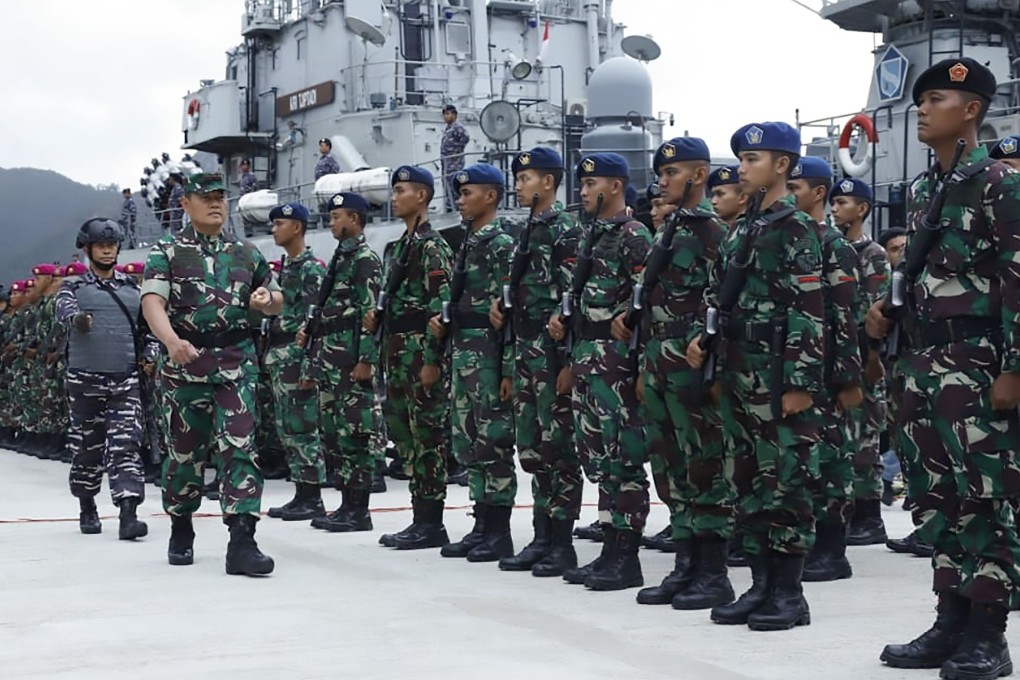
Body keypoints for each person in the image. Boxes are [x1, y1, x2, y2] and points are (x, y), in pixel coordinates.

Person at [866, 58, 1020, 677]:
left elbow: (1016, 281)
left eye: (934, 99)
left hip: (979, 365)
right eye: (920, 100)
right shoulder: (926, 190)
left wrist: (1014, 369)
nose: (921, 110)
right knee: (936, 498)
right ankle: (949, 618)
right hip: (922, 363)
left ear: (972, 109)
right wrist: (884, 312)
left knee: (987, 498)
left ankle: (989, 631)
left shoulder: (1001, 187)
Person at [687, 121, 825, 631]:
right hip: (740, 373)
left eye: (753, 160)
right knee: (747, 479)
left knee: (785, 482)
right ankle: (761, 584)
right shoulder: (744, 227)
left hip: (776, 374)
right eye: (741, 161)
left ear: (782, 166)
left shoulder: (795, 229)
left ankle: (789, 594)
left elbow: (809, 311)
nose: (742, 169)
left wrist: (800, 383)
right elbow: (719, 297)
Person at [141, 173, 284, 576]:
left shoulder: (246, 253)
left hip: (235, 362)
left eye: (221, 197)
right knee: (184, 454)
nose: (216, 204)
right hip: (185, 364)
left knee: (240, 446)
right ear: (186, 203)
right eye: (206, 198)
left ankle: (242, 540)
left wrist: (266, 300)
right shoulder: (168, 251)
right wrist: (170, 342)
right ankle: (181, 526)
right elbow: (152, 301)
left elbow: (276, 300)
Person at [617, 137, 733, 610]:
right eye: (661, 173)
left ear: (699, 175)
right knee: (670, 466)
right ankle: (686, 564)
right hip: (660, 363)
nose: (662, 181)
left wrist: (715, 368)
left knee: (704, 465)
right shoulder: (668, 230)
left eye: (672, 173)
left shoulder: (711, 233)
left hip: (692, 366)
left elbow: (723, 304)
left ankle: (713, 572)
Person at [548, 152, 652, 591]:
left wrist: (638, 359)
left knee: (623, 457)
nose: (584, 192)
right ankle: (609, 547)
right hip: (588, 357)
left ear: (612, 186)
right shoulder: (591, 236)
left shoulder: (634, 236)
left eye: (591, 185)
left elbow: (648, 300)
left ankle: (626, 556)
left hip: (616, 362)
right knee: (600, 459)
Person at [490, 147, 583, 576]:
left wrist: (568, 364)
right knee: (531, 447)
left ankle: (562, 541)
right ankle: (541, 534)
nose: (518, 185)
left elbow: (575, 299)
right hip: (525, 352)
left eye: (526, 178)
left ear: (548, 182)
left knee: (558, 448)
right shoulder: (527, 229)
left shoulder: (566, 231)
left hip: (552, 355)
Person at [429, 164, 517, 562]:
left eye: (467, 194)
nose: (460, 201)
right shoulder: (468, 242)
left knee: (493, 441)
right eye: (459, 194)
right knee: (469, 442)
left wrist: (508, 369)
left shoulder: (501, 244)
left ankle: (498, 531)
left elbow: (509, 312)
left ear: (492, 196)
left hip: (487, 355)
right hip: (464, 352)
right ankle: (481, 523)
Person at [364, 166, 453, 550]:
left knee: (427, 437)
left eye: (401, 190)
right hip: (397, 352)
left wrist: (433, 360)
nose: (394, 197)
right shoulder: (401, 246)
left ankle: (431, 521)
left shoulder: (432, 247)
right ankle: (420, 516)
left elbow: (440, 311)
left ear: (422, 196)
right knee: (406, 438)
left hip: (419, 353)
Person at [787, 157, 863, 582]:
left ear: (818, 193)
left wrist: (848, 377)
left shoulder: (833, 245)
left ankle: (833, 550)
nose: (790, 193)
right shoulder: (788, 236)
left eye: (796, 187)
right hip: (799, 363)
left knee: (832, 458)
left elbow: (844, 316)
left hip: (827, 369)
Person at [56, 218, 148, 540]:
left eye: (111, 245)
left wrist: (149, 357)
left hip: (124, 379)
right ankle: (87, 505)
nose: (107, 250)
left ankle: (128, 512)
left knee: (126, 445)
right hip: (85, 382)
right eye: (100, 245)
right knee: (87, 448)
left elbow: (146, 331)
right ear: (87, 249)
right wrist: (77, 319)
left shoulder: (133, 290)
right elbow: (63, 309)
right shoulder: (74, 288)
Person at [303, 192, 382, 533]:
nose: (331, 222)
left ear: (354, 219)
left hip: (352, 362)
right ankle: (346, 504)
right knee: (337, 435)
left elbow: (370, 314)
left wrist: (366, 359)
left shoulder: (364, 259)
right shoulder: (341, 257)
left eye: (337, 217)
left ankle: (359, 510)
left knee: (356, 435)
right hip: (332, 361)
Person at [829, 177, 891, 547]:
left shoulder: (873, 255)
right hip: (841, 354)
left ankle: (870, 515)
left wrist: (872, 357)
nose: (836, 208)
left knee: (866, 434)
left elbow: (875, 310)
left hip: (864, 352)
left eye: (844, 202)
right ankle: (850, 509)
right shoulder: (833, 248)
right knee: (845, 434)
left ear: (862, 209)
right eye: (833, 202)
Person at [262, 203, 328, 521]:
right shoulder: (287, 268)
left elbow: (315, 323)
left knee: (302, 428)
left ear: (297, 227)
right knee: (287, 428)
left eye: (279, 223)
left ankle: (312, 496)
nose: (273, 229)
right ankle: (301, 492)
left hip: (297, 356)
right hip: (281, 356)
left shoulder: (310, 269)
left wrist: (310, 367)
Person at [441, 105, 470, 212]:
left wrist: (457, 150)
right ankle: (450, 208)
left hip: (454, 164)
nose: (445, 116)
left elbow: (466, 137)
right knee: (448, 187)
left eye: (448, 114)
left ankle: (457, 209)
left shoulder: (457, 127)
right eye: (444, 114)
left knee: (455, 186)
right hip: (447, 164)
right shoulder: (448, 129)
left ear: (454, 115)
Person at [707, 165, 747, 229]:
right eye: (712, 195)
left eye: (720, 194)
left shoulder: (756, 229)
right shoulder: (709, 228)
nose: (713, 201)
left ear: (742, 197)